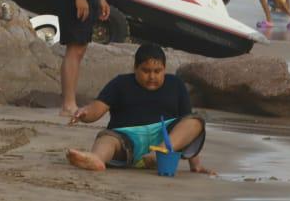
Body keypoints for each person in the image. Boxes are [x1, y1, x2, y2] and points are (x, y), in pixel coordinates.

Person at [66, 43, 211, 174]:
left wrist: (195, 164)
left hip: (165, 138)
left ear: (165, 69)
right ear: (135, 68)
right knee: (107, 138)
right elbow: (97, 109)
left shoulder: (176, 85)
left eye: (157, 71)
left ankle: (158, 154)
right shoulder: (120, 84)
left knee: (196, 122)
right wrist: (85, 113)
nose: (152, 76)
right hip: (125, 138)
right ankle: (96, 159)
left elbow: (187, 126)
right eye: (146, 71)